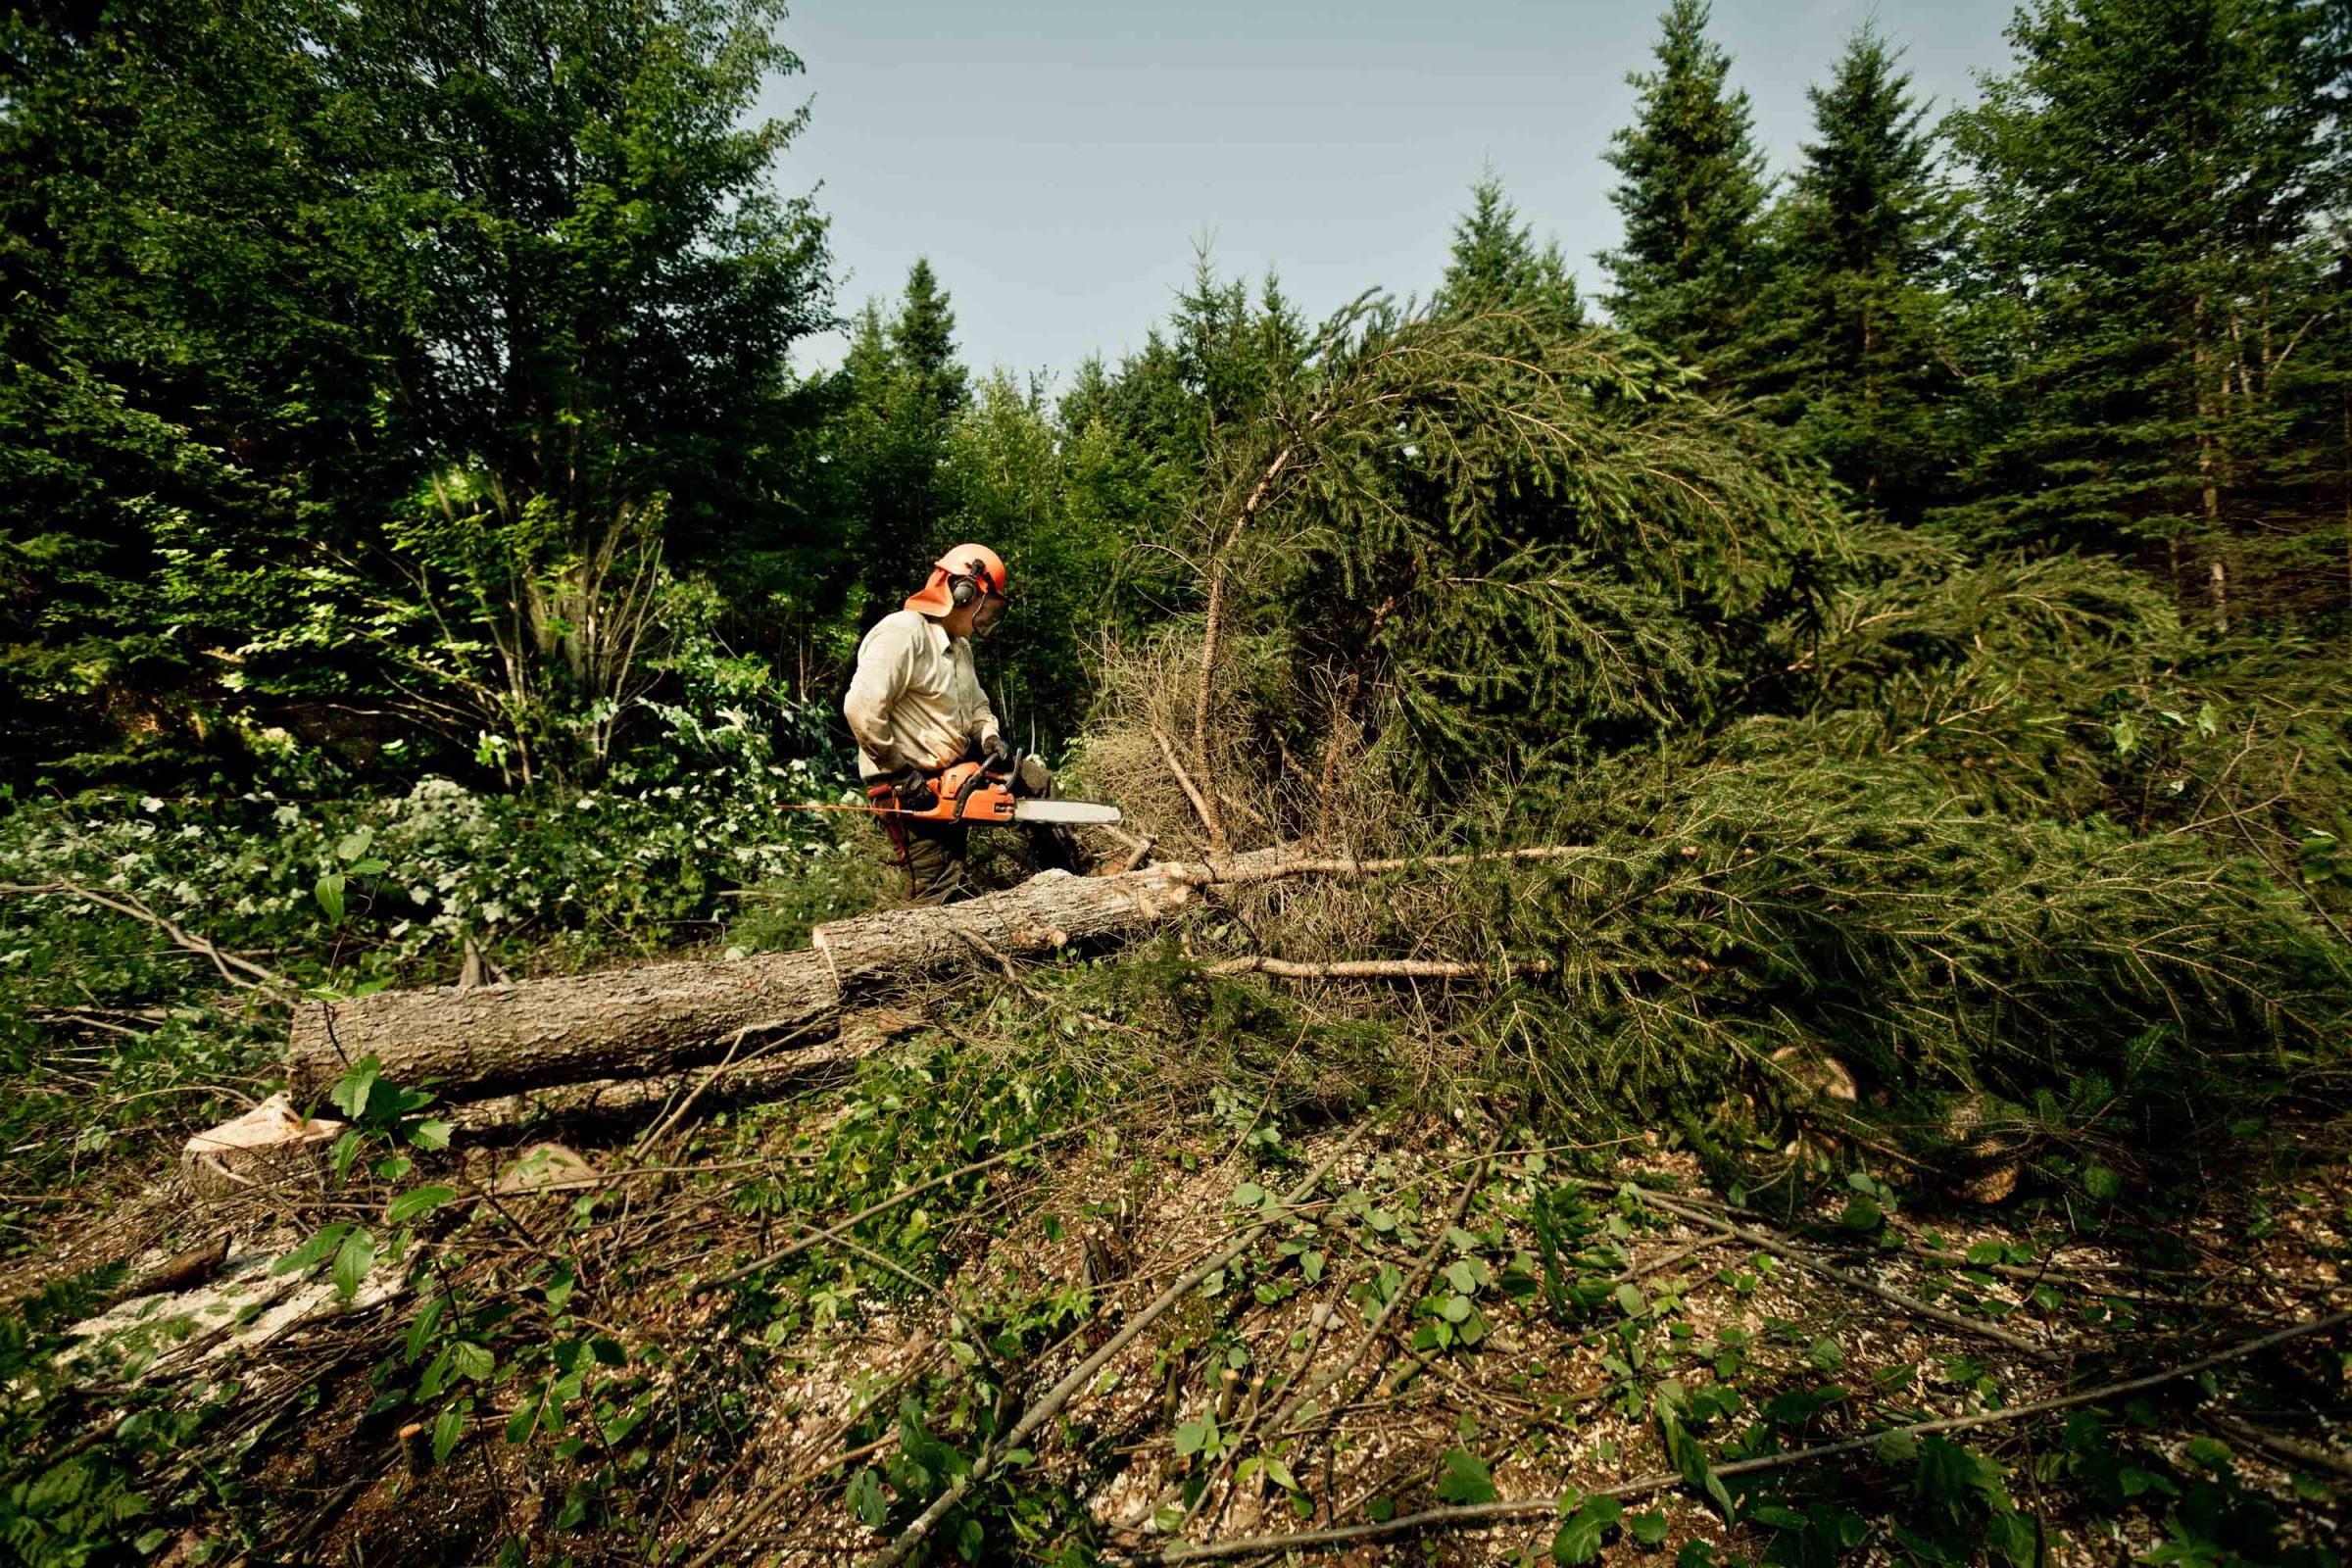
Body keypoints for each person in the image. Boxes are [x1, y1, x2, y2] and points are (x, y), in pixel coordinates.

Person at [841, 544, 1069, 904]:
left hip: (955, 770)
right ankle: (900, 954)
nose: (986, 621)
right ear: (962, 591)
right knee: (937, 890)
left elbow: (977, 704)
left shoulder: (960, 647)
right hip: (908, 782)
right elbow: (862, 708)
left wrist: (989, 736)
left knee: (1035, 782)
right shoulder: (903, 633)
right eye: (987, 608)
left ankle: (1072, 881)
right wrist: (900, 774)